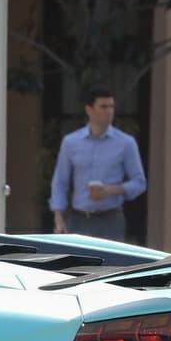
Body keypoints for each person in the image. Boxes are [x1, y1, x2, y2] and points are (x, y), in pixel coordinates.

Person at [49, 85, 147, 242]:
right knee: (78, 265)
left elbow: (139, 182)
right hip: (79, 219)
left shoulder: (126, 143)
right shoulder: (71, 142)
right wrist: (58, 218)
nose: (109, 111)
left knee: (111, 266)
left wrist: (111, 190)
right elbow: (60, 181)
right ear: (89, 109)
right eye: (103, 107)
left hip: (111, 219)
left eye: (111, 107)